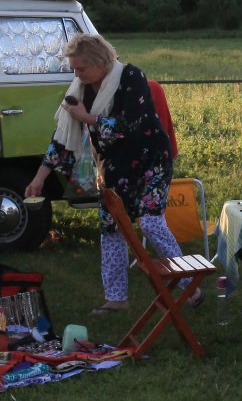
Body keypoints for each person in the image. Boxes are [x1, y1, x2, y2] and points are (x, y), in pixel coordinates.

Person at [25, 33, 179, 316]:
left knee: (150, 223)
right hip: (114, 168)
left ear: (100, 62)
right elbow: (61, 138)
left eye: (81, 68)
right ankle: (116, 299)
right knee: (112, 229)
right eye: (74, 69)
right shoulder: (79, 90)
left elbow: (128, 125)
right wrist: (39, 178)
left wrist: (87, 118)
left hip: (150, 160)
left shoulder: (131, 77)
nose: (77, 75)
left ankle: (186, 283)